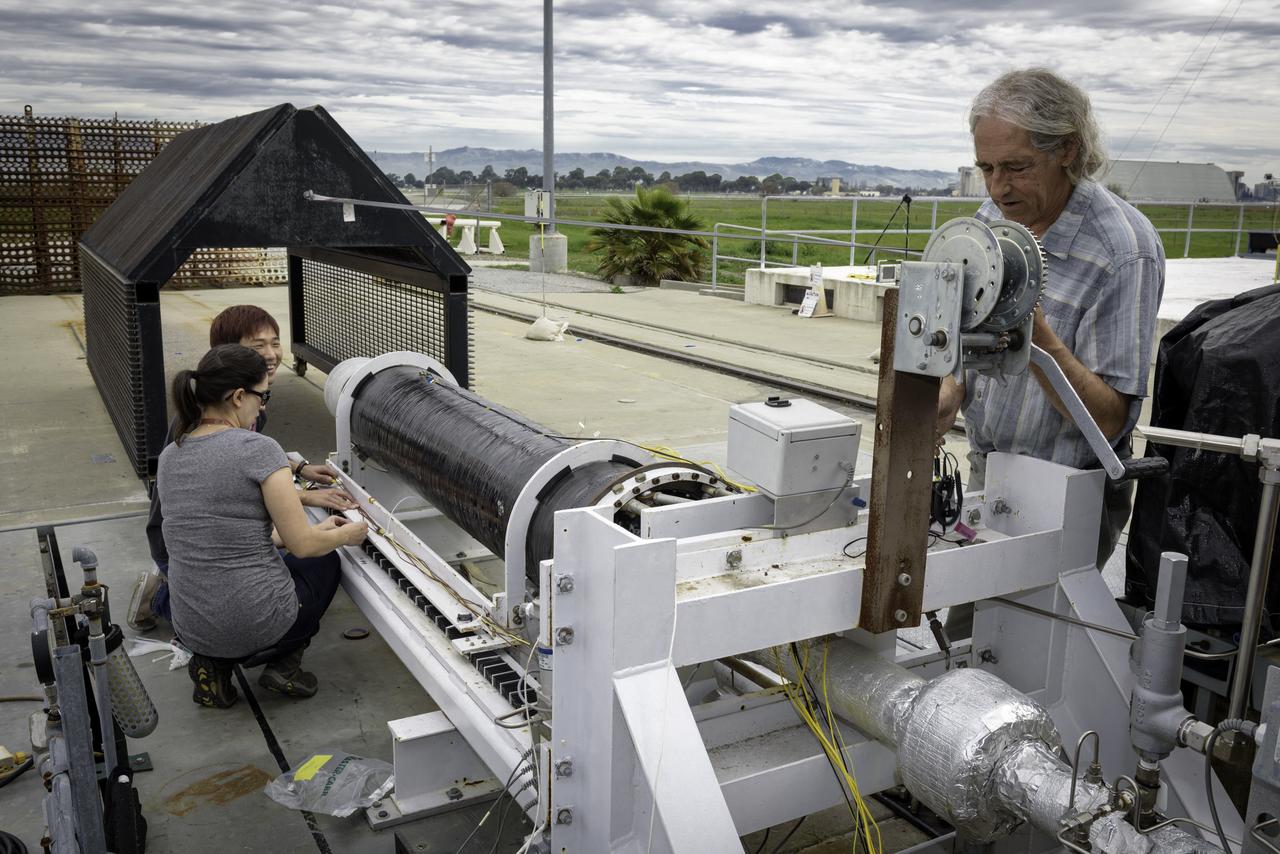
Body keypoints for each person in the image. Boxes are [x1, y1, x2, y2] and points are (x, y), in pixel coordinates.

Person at [936, 68, 1165, 574]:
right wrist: (951, 382)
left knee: (1027, 643)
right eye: (986, 168)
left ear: (1067, 149)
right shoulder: (991, 224)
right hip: (987, 471)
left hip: (1068, 489)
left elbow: (1108, 421)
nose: (998, 188)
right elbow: (960, 336)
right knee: (970, 622)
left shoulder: (1122, 251)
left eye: (1016, 167)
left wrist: (1037, 338)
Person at [157, 344, 368, 707]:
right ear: (238, 397)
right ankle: (283, 666)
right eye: (262, 394)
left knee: (295, 554)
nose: (264, 405)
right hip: (253, 621)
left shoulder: (170, 454)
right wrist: (349, 534)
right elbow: (302, 546)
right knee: (324, 562)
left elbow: (231, 535)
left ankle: (213, 665)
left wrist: (318, 532)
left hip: (190, 624)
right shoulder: (258, 448)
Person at [130, 305, 355, 629]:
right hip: (184, 548)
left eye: (274, 342)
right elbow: (226, 484)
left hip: (205, 537)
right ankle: (163, 596)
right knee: (305, 561)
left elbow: (237, 470)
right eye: (256, 346)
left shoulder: (235, 408)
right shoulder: (198, 421)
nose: (271, 354)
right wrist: (306, 503)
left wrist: (299, 468)